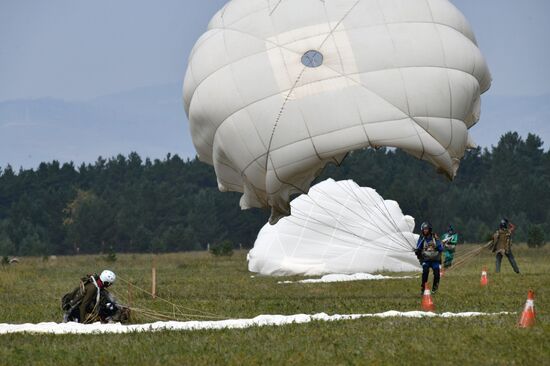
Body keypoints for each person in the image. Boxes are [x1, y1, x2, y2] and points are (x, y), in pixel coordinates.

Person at [62, 269, 126, 323]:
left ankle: (104, 319)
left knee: (108, 304)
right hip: (75, 312)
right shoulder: (93, 288)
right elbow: (83, 305)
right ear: (106, 282)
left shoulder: (97, 285)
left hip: (80, 310)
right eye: (110, 284)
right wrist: (82, 323)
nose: (109, 285)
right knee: (108, 307)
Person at [415, 222, 443, 294]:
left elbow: (441, 248)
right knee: (425, 272)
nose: (425, 231)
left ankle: (434, 289)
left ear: (429, 230)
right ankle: (423, 288)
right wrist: (417, 251)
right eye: (424, 229)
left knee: (437, 273)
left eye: (426, 229)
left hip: (435, 260)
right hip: (426, 260)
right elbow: (418, 247)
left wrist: (438, 247)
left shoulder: (435, 237)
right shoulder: (421, 238)